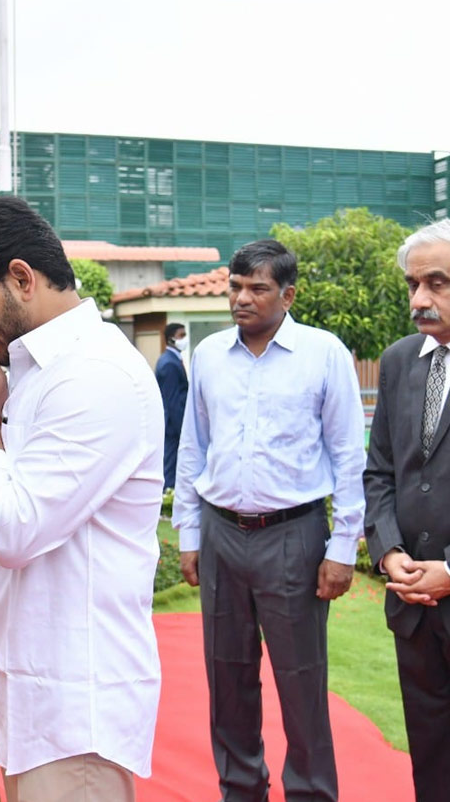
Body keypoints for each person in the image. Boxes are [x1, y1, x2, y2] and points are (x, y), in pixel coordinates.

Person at [0, 196, 162, 802]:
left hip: (73, 699)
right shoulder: (33, 369)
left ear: (21, 278)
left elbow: (12, 530)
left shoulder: (95, 375)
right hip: (34, 683)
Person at [173, 239, 365, 802]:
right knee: (226, 678)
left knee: (300, 681)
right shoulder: (207, 355)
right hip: (221, 533)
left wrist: (343, 548)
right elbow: (193, 449)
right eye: (235, 286)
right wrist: (189, 534)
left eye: (258, 288)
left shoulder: (323, 353)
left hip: (294, 536)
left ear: (288, 294)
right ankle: (241, 790)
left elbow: (349, 454)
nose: (242, 298)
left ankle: (310, 793)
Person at [363, 219, 450, 802]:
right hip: (414, 609)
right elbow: (381, 473)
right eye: (414, 285)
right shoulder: (398, 361)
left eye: (437, 283)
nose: (419, 299)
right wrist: (390, 551)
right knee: (432, 762)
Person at [155, 322, 189, 489]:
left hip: (172, 425)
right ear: (170, 339)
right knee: (170, 465)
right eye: (181, 335)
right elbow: (173, 400)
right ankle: (167, 498)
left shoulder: (173, 359)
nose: (185, 339)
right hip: (172, 426)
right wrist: (181, 429)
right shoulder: (169, 363)